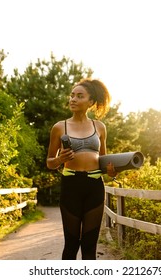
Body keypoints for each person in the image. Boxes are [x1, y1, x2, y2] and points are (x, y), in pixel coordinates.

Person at [46, 78, 116, 260]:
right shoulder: (59, 127)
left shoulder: (99, 127)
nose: (73, 99)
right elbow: (49, 163)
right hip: (71, 186)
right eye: (72, 95)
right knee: (71, 244)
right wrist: (60, 159)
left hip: (94, 186)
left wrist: (111, 171)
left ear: (90, 102)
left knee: (89, 246)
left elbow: (102, 160)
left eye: (79, 96)